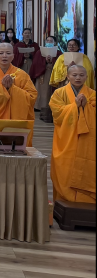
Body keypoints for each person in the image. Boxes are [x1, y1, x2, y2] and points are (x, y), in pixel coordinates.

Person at [49, 64, 95, 203]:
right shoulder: (59, 93)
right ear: (67, 76)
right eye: (74, 75)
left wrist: (87, 106)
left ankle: (86, 203)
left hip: (87, 140)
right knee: (64, 169)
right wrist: (75, 107)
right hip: (66, 138)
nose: (78, 78)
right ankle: (63, 201)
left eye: (81, 75)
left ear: (87, 77)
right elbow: (57, 113)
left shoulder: (92, 94)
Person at [0, 43, 38, 144]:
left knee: (16, 149)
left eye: (8, 53)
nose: (4, 56)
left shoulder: (21, 75)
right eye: (1, 53)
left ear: (13, 56)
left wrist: (12, 89)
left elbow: (32, 96)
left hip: (15, 120)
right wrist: (2, 89)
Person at [32, 36, 62, 114]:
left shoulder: (58, 53)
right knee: (41, 90)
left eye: (51, 41)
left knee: (50, 90)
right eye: (47, 40)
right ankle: (39, 106)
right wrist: (44, 61)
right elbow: (35, 63)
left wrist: (52, 61)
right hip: (42, 73)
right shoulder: (40, 52)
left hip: (53, 73)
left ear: (55, 42)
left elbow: (60, 64)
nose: (49, 42)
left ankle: (50, 106)